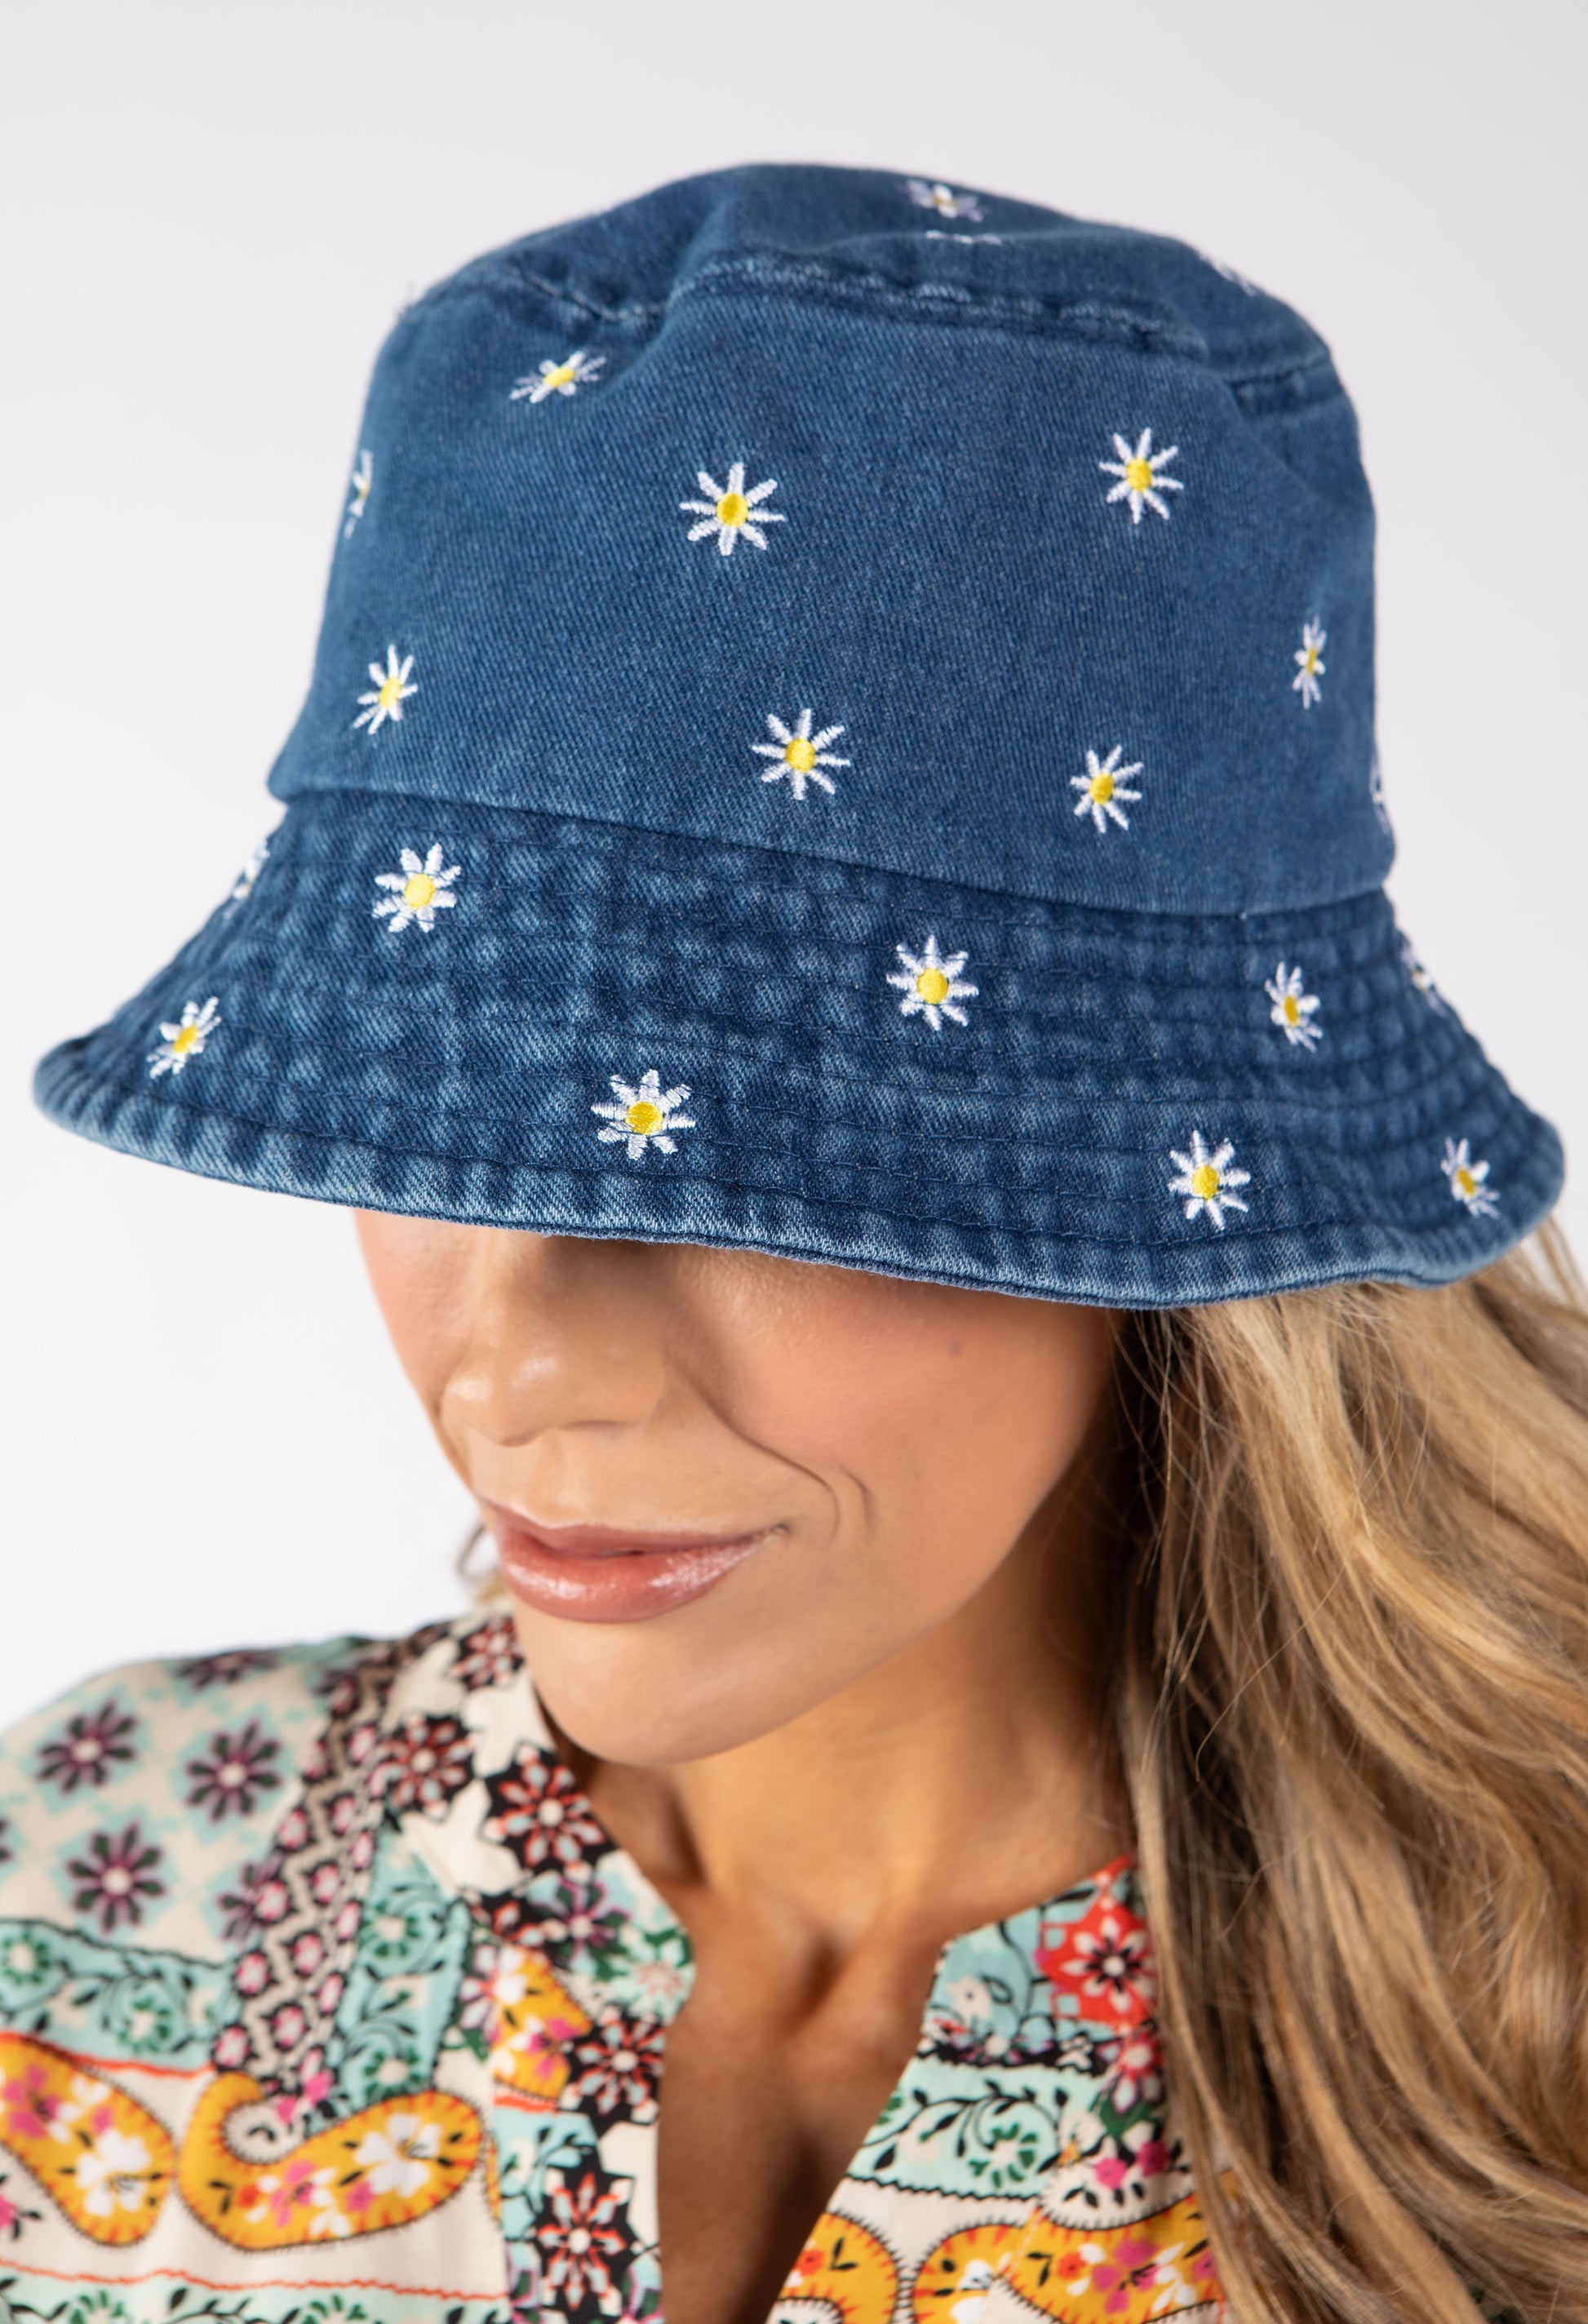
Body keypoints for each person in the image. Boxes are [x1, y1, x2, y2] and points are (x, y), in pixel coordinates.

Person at [6, 164, 1585, 2324]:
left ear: (1172, 1196)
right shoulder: (88, 1888)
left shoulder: (1527, 2075)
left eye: (733, 1170)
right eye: (433, 1123)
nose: (523, 1368)